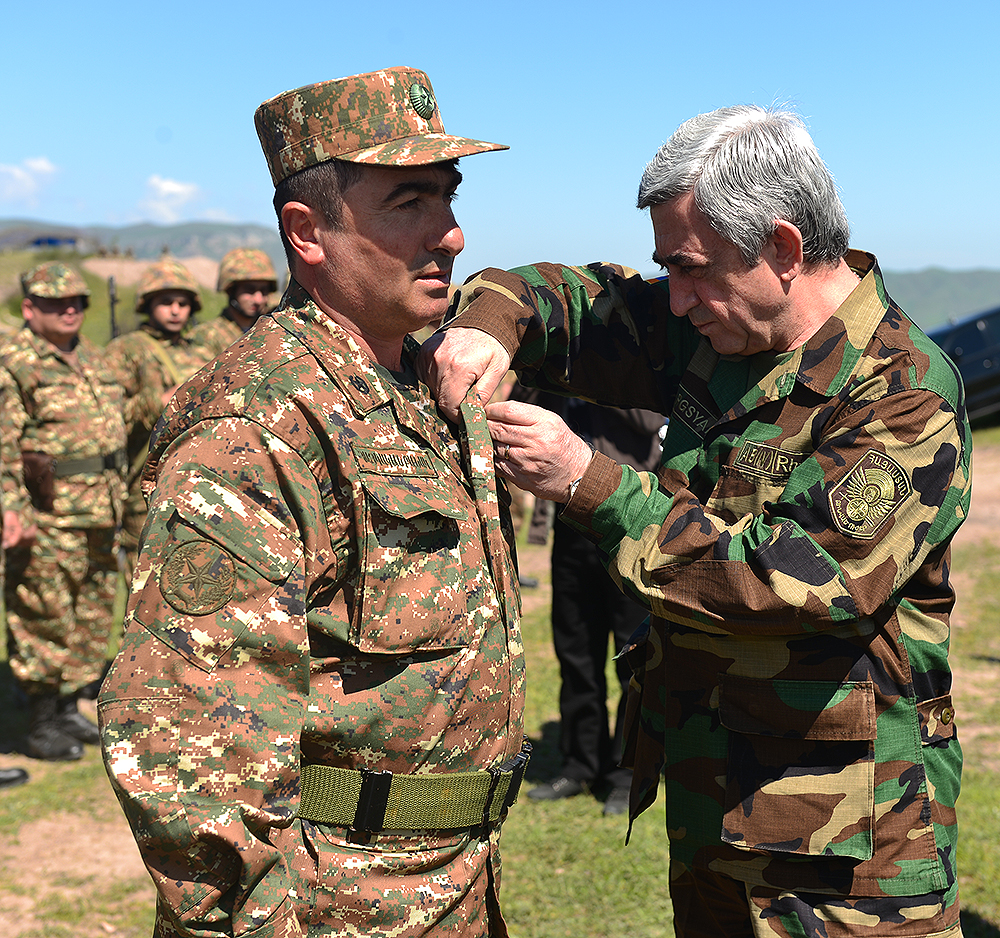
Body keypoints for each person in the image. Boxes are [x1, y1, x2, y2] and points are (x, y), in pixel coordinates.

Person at [421, 105, 970, 937]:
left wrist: (590, 482)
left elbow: (797, 580)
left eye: (690, 269)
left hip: (846, 856)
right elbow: (554, 295)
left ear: (783, 250)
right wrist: (484, 328)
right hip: (716, 807)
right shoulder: (715, 332)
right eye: (667, 271)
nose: (674, 301)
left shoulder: (901, 390)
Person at [99, 67, 527, 938]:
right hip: (335, 906)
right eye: (409, 201)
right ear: (308, 232)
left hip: (447, 883)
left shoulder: (410, 378)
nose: (450, 233)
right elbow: (190, 755)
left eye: (449, 197)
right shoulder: (258, 424)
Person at [0, 261, 126, 761]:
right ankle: (37, 721)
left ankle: (69, 705)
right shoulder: (15, 362)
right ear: (30, 308)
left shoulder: (90, 359)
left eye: (77, 301)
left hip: (100, 509)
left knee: (91, 613)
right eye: (56, 302)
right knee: (44, 615)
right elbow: (4, 445)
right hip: (48, 515)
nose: (70, 309)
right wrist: (13, 510)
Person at [523, 395, 663, 817]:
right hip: (572, 524)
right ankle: (580, 764)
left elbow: (645, 416)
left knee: (631, 661)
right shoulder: (566, 367)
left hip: (630, 528)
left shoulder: (635, 363)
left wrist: (590, 381)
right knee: (576, 656)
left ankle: (626, 775)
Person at [104, 257, 210, 583]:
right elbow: (105, 418)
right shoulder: (127, 350)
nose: (176, 310)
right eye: (166, 302)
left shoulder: (202, 350)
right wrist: (157, 402)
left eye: (182, 303)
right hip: (147, 486)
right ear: (148, 305)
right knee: (147, 586)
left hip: (202, 481)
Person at [189, 247, 279, 359]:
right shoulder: (207, 336)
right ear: (231, 290)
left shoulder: (271, 331)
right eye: (249, 290)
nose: (258, 300)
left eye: (264, 291)